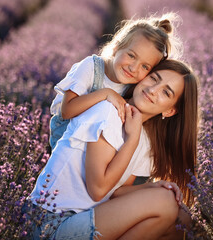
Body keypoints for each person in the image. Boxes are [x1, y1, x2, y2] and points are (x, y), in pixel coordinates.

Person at [27, 59, 198, 239]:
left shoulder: (147, 141)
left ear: (170, 111)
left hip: (83, 218)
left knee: (181, 216)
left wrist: (153, 188)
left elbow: (115, 192)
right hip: (49, 221)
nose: (153, 90)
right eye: (154, 78)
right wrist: (132, 139)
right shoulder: (109, 112)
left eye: (166, 92)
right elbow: (98, 189)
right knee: (164, 203)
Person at [49, 12, 183, 149]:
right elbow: (67, 111)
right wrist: (106, 94)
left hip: (96, 147)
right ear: (116, 47)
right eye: (131, 55)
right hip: (66, 145)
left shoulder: (134, 87)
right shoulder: (91, 67)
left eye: (144, 66)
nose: (133, 68)